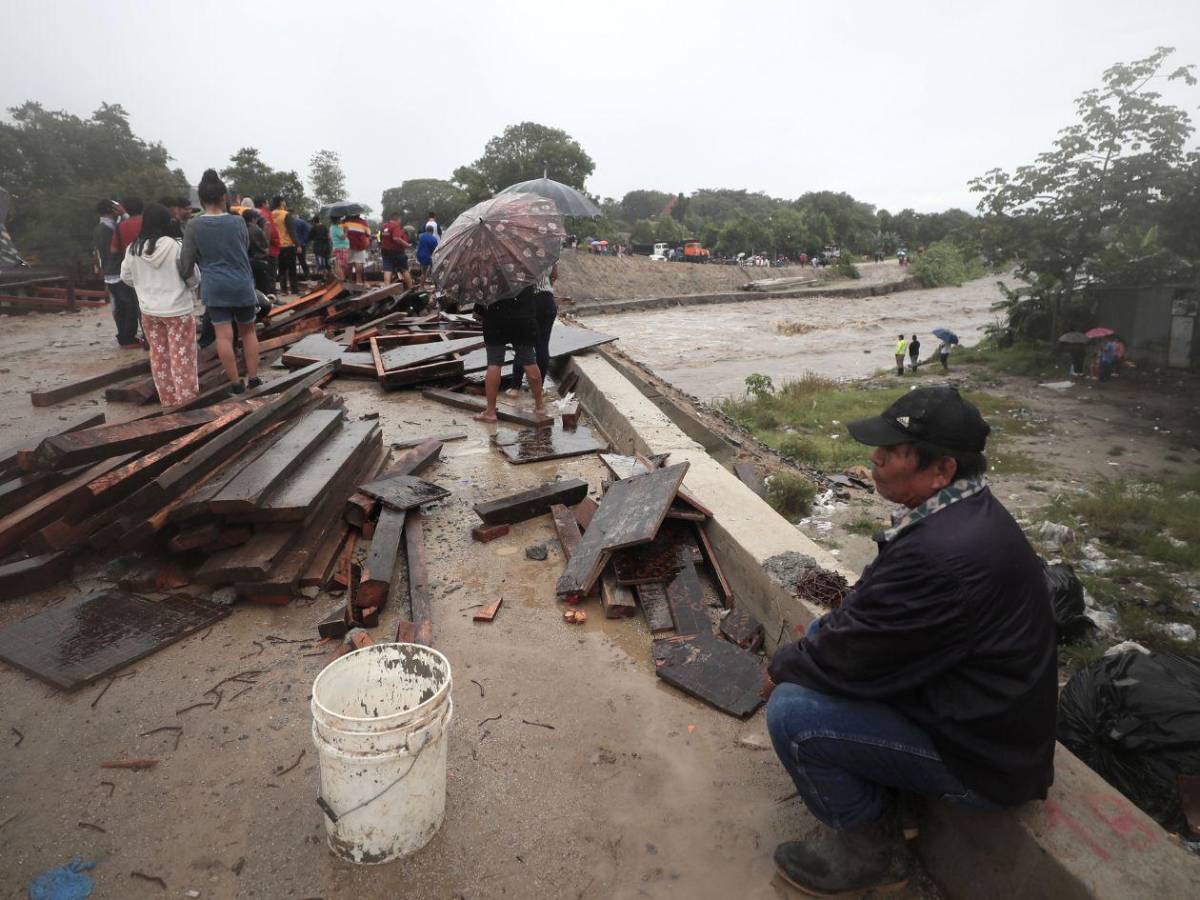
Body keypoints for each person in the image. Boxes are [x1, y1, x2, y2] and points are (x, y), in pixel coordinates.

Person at [763, 386, 1056, 896]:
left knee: (793, 714)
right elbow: (865, 624)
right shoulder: (957, 513)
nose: (874, 460)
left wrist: (780, 668)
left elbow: (853, 657)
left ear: (942, 469)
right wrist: (812, 648)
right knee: (816, 636)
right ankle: (892, 802)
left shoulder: (943, 555)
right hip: (965, 705)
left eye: (892, 453)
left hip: (983, 759)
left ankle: (871, 855)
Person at [179, 169, 260, 394]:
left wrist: (186, 279)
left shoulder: (194, 225)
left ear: (202, 199)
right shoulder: (238, 222)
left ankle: (236, 384)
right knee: (248, 333)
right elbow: (244, 249)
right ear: (223, 197)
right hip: (242, 283)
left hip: (214, 287)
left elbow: (186, 261)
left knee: (223, 336)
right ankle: (254, 379)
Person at [120, 202, 199, 407]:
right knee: (182, 355)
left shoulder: (133, 249)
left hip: (149, 311)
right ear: (166, 222)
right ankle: (187, 402)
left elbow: (126, 277)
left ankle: (169, 401)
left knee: (159, 355)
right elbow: (192, 276)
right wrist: (189, 286)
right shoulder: (175, 246)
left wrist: (144, 286)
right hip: (178, 310)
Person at [474, 284, 545, 422]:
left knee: (494, 362)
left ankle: (490, 412)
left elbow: (480, 299)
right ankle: (540, 406)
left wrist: (479, 309)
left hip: (496, 317)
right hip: (523, 319)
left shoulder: (486, 270)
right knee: (529, 360)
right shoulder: (525, 266)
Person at [508, 262, 558, 396]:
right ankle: (538, 388)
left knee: (523, 344)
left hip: (529, 300)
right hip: (548, 300)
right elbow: (554, 275)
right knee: (542, 346)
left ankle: (515, 387)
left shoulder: (521, 253)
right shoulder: (549, 251)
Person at [242, 209, 273, 297]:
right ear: (253, 219)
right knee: (263, 286)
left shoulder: (243, 229)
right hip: (259, 260)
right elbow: (265, 244)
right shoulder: (256, 229)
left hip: (248, 260)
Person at [271, 197, 298, 294]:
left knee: (281, 269)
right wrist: (297, 244)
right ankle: (294, 290)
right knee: (292, 269)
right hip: (288, 245)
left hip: (277, 245)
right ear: (281, 202)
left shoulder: (271, 214)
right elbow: (291, 231)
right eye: (284, 201)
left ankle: (283, 290)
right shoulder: (286, 214)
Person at [380, 212, 413, 289]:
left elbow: (380, 237)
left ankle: (386, 289)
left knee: (387, 269)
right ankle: (410, 288)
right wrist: (407, 245)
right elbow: (396, 238)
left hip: (385, 251)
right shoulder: (395, 225)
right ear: (398, 219)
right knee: (404, 269)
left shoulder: (384, 226)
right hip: (397, 252)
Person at [255, 195, 280, 291]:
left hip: (258, 250)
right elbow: (271, 230)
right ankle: (272, 295)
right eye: (267, 203)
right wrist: (277, 242)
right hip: (270, 249)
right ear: (263, 204)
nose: (269, 205)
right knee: (271, 274)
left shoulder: (253, 214)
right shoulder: (265, 214)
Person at [343, 213, 371, 284]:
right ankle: (359, 281)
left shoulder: (345, 222)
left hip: (348, 245)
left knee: (349, 263)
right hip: (360, 245)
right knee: (359, 263)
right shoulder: (363, 222)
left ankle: (350, 281)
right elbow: (368, 233)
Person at [330, 216, 350, 281]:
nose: (340, 220)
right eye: (339, 219)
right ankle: (342, 280)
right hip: (340, 248)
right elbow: (342, 237)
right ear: (336, 220)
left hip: (340, 248)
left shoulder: (333, 227)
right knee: (340, 265)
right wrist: (346, 231)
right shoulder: (336, 228)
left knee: (342, 265)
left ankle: (342, 279)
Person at [292, 212, 311, 279]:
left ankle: (293, 277)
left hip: (291, 245)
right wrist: (304, 241)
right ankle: (307, 276)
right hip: (301, 244)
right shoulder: (302, 222)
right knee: (302, 261)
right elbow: (308, 232)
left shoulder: (288, 222)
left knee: (292, 262)